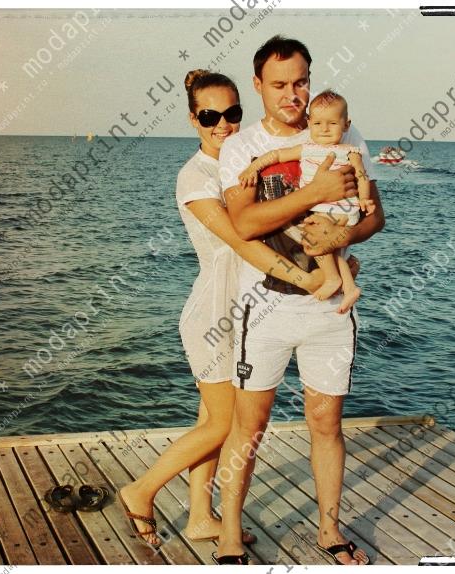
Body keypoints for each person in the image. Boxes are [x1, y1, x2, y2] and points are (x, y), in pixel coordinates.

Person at [117, 69, 330, 550]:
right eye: (210, 116)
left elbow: (290, 225)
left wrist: (330, 252)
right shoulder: (196, 176)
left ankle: (199, 517)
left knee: (211, 421)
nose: (224, 125)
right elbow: (240, 237)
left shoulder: (251, 162)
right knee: (223, 424)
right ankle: (140, 491)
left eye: (232, 113)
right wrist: (306, 280)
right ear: (194, 119)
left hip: (254, 309)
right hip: (216, 314)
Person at [215, 36, 385, 565]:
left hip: (330, 310)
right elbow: (244, 223)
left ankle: (329, 529)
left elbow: (375, 215)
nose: (293, 95)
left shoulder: (343, 131)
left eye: (301, 82)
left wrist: (342, 236)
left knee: (326, 423)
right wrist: (315, 194)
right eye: (280, 84)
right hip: (265, 307)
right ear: (258, 85)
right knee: (249, 426)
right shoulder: (242, 147)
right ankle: (229, 532)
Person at [238, 89, 376, 311]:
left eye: (332, 123)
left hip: (335, 209)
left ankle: (332, 279)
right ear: (309, 122)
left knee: (312, 240)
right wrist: (253, 167)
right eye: (318, 123)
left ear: (346, 125)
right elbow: (277, 155)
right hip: (336, 211)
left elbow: (362, 175)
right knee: (332, 251)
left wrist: (366, 198)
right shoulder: (311, 149)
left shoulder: (348, 151)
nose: (324, 129)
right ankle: (350, 288)